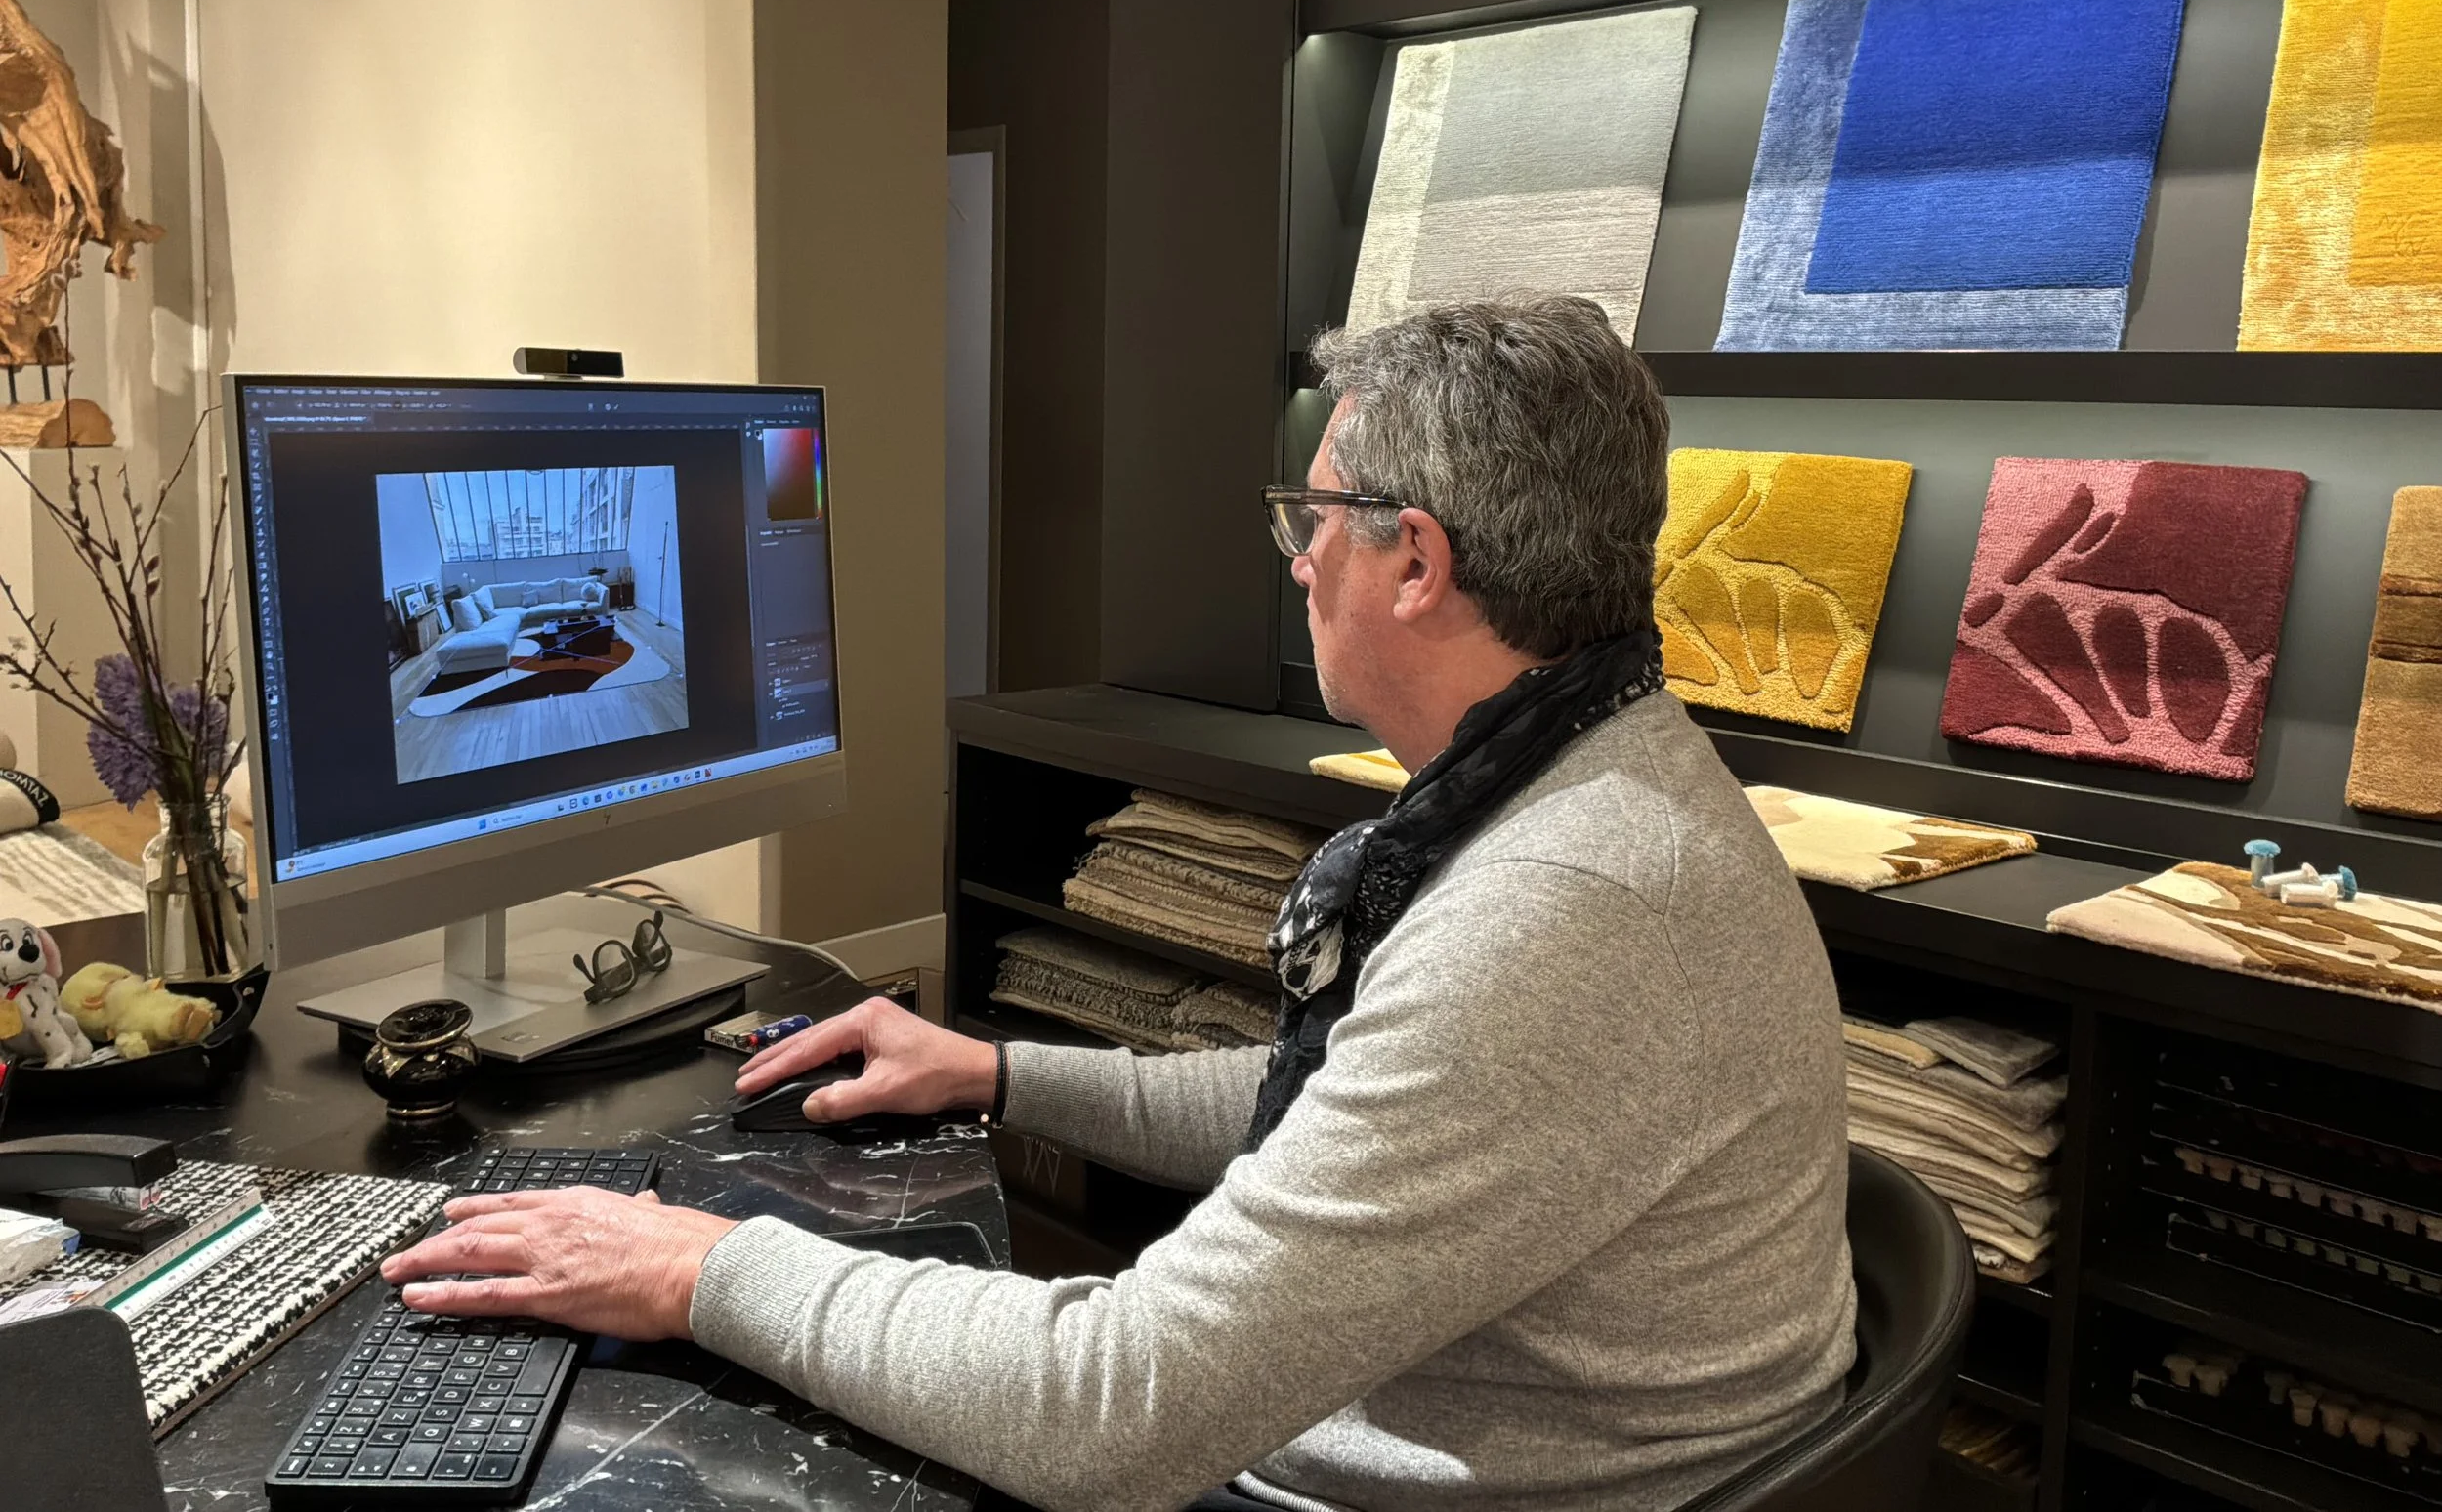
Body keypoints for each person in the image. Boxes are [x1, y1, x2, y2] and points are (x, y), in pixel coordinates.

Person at [384, 296, 1857, 1512]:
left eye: (1316, 514)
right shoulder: (1607, 774)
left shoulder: (1561, 912)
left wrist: (700, 1264)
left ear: (1417, 560)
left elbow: (1112, 1411)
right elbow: (1353, 1108)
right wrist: (1006, 1071)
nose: (1296, 557)